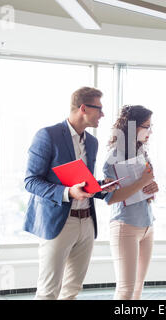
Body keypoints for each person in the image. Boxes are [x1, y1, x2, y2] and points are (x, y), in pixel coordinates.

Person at [24, 86, 116, 300]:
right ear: (83, 108)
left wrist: (102, 186)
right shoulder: (48, 135)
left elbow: (83, 183)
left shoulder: (92, 143)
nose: (102, 114)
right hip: (58, 223)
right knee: (49, 291)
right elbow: (31, 181)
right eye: (99, 109)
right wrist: (67, 192)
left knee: (72, 289)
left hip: (86, 222)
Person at [103, 105, 159, 300]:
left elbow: (146, 185)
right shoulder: (113, 157)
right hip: (125, 226)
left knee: (137, 289)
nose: (150, 131)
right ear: (133, 127)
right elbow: (110, 198)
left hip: (147, 224)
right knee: (126, 290)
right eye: (147, 126)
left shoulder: (142, 151)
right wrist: (143, 181)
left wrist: (152, 187)